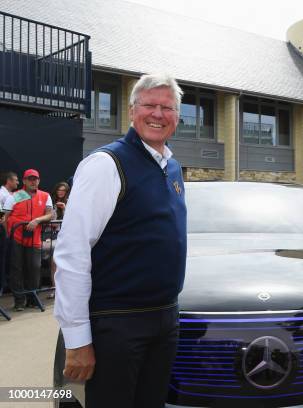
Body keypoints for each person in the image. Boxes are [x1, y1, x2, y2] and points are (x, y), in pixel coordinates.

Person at [53, 73, 187, 408]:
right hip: (118, 325)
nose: (158, 114)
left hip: (164, 320)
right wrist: (78, 338)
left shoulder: (172, 168)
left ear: (177, 117)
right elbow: (71, 254)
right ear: (131, 111)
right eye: (149, 105)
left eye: (166, 107)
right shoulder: (105, 164)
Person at [1, 169, 53, 311]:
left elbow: (50, 215)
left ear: (39, 181)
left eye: (35, 179)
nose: (33, 181)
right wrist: (8, 234)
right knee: (16, 269)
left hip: (34, 238)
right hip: (16, 238)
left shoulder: (45, 195)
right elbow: (4, 217)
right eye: (29, 179)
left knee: (34, 268)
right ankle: (19, 301)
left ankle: (32, 299)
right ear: (24, 181)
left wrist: (37, 220)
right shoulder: (16, 196)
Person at [46, 181, 71, 299]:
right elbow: (50, 222)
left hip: (68, 237)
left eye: (63, 191)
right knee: (54, 263)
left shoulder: (71, 202)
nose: (60, 192)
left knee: (66, 264)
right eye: (59, 190)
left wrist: (65, 208)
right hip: (54, 236)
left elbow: (72, 221)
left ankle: (66, 290)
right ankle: (55, 288)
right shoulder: (51, 202)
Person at [0, 171, 19, 294]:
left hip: (9, 233)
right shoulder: (1, 194)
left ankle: (5, 285)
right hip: (3, 232)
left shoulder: (13, 194)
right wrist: (6, 232)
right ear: (9, 181)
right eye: (16, 180)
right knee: (3, 260)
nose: (18, 182)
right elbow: (2, 216)